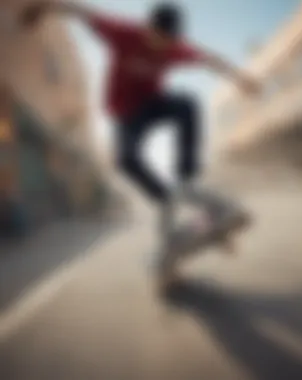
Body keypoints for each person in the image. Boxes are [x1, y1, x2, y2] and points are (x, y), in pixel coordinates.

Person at [19, 1, 260, 247]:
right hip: (126, 113)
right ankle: (165, 198)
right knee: (125, 159)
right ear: (148, 28)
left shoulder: (174, 49)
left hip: (154, 103)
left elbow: (210, 59)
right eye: (157, 39)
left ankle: (186, 180)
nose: (161, 47)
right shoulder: (122, 32)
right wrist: (41, 8)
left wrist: (242, 80)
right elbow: (83, 12)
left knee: (187, 104)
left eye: (167, 41)